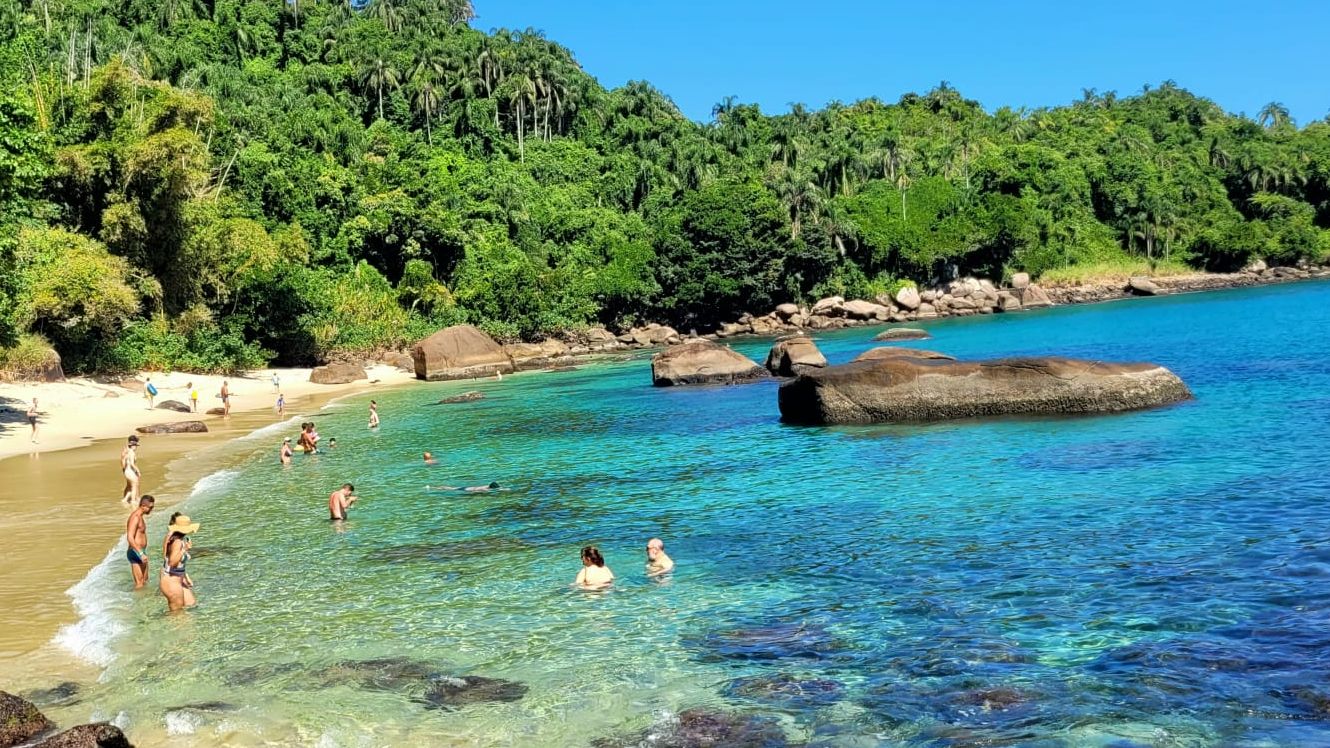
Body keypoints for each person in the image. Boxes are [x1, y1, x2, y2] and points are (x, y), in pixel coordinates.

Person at [159, 513, 199, 612]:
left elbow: (171, 561)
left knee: (191, 604)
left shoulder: (174, 538)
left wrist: (185, 576)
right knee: (177, 615)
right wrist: (184, 549)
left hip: (176, 578)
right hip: (171, 581)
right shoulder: (177, 542)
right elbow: (172, 562)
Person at [125, 495, 155, 589]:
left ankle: (144, 602)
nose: (151, 510)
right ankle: (135, 602)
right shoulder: (135, 517)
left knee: (145, 581)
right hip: (136, 552)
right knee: (139, 584)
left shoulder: (140, 517)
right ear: (143, 505)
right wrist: (141, 553)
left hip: (141, 551)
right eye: (150, 507)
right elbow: (130, 537)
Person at [120, 436, 141, 504]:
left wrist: (124, 470)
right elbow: (132, 464)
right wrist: (138, 471)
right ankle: (133, 500)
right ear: (133, 445)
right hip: (130, 471)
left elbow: (123, 461)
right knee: (134, 486)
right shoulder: (131, 452)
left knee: (129, 486)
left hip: (126, 471)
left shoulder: (126, 450)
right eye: (136, 445)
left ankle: (125, 500)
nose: (136, 447)